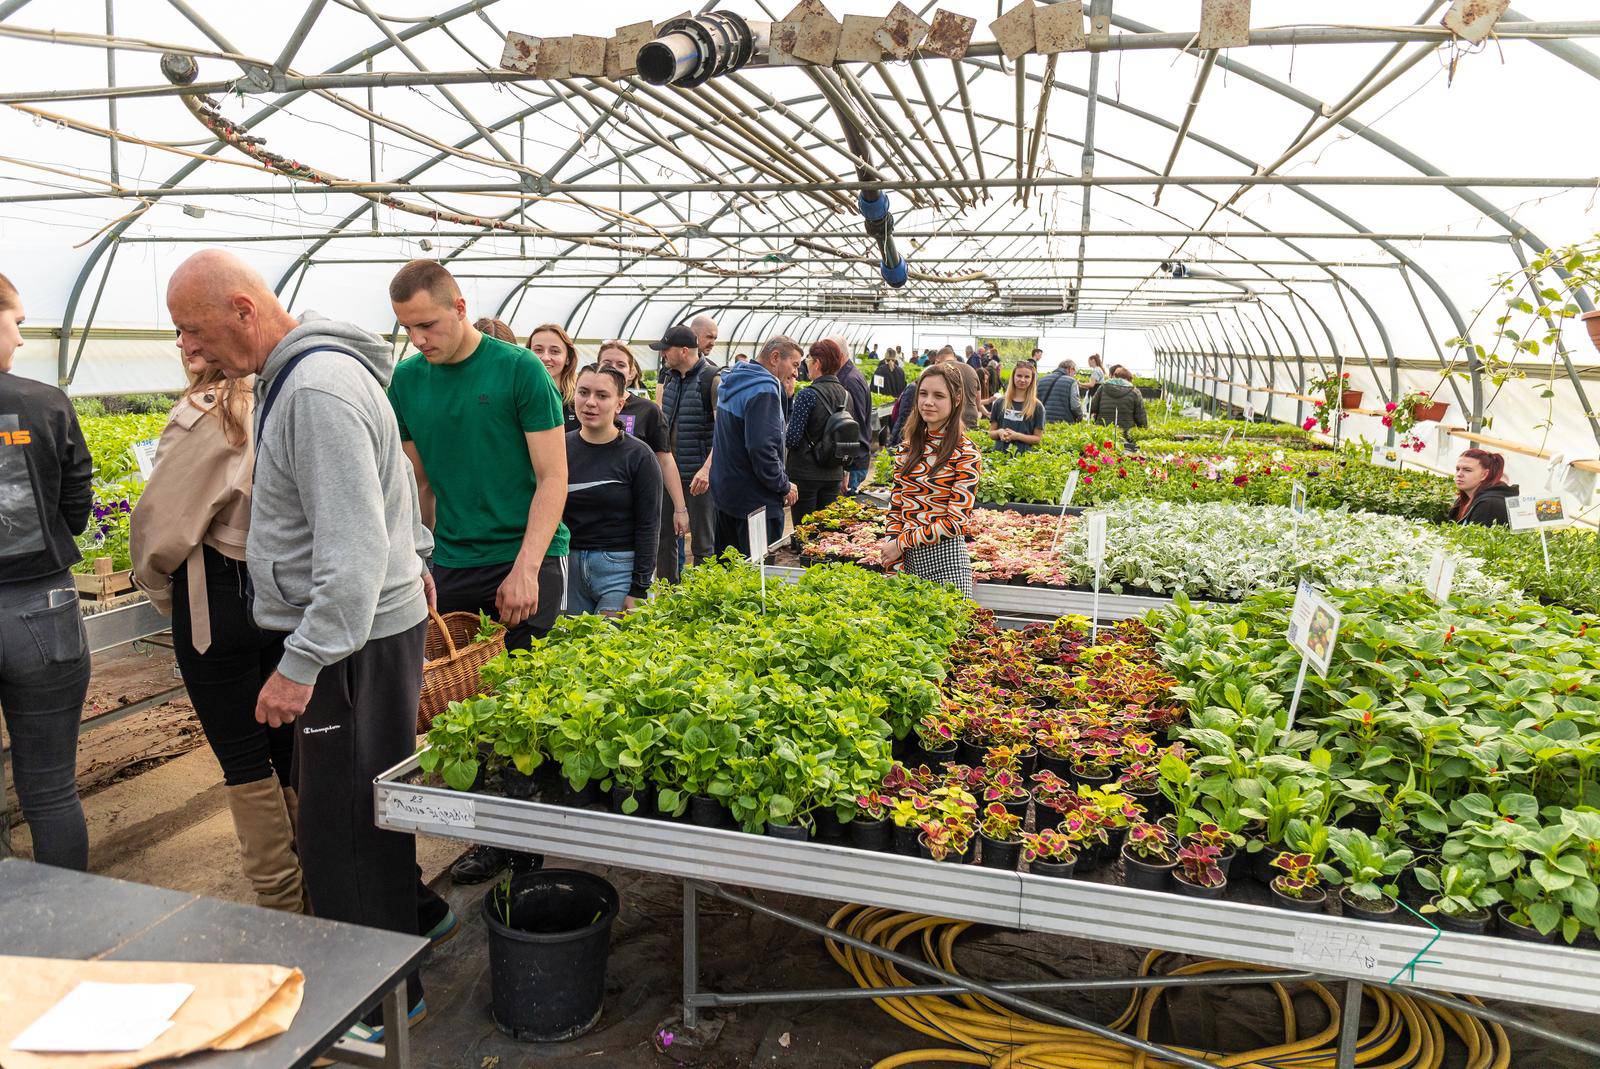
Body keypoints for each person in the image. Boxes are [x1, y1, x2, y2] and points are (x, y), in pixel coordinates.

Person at [167, 250, 437, 1032]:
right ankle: (404, 955)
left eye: (195, 330)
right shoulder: (314, 373)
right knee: (364, 811)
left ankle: (381, 1005)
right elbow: (385, 503)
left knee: (343, 828)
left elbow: (348, 557)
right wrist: (412, 556)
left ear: (246, 310)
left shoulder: (314, 388)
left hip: (347, 650)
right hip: (368, 635)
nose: (190, 349)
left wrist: (299, 665)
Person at [388, 261, 567, 888]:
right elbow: (419, 481)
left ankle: (525, 850)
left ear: (460, 306)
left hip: (525, 554)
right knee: (467, 706)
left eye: (428, 325)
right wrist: (415, 559)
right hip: (454, 557)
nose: (419, 340)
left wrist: (527, 569)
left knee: (518, 704)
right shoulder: (407, 382)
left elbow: (553, 478)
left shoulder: (518, 371)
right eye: (407, 329)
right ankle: (495, 833)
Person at [130, 347, 303, 912]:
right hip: (284, 597)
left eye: (188, 331)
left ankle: (283, 904)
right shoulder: (288, 396)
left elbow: (162, 526)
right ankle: (321, 882)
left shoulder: (209, 412)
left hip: (216, 599)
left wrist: (159, 589)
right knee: (288, 746)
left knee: (244, 758)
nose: (181, 344)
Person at [0, 272, 92, 871]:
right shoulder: (40, 402)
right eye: (17, 321)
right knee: (50, 785)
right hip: (40, 610)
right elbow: (77, 508)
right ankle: (66, 935)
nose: (22, 337)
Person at [877, 364, 981, 597]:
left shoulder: (965, 452)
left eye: (938, 396)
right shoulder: (908, 448)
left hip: (947, 565)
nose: (928, 402)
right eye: (923, 394)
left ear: (956, 400)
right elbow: (896, 507)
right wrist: (893, 555)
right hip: (906, 562)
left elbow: (956, 522)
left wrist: (900, 543)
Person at [564, 366, 662, 612]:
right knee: (570, 648)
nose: (590, 403)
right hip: (568, 568)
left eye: (602, 396)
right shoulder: (559, 448)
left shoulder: (638, 455)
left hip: (618, 569)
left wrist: (639, 586)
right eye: (583, 392)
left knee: (610, 647)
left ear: (619, 404)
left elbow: (649, 524)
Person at [596, 342, 690, 584]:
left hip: (638, 503)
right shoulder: (585, 406)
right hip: (598, 509)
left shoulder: (647, 411)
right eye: (607, 363)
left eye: (621, 364)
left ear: (632, 372)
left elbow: (665, 458)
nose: (614, 369)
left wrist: (680, 507)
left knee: (651, 556)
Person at [710, 336, 801, 556]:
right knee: (757, 576)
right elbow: (762, 448)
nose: (797, 373)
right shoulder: (763, 390)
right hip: (756, 505)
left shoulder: (736, 380)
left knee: (729, 573)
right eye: (795, 364)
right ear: (775, 357)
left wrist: (786, 398)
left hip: (727, 496)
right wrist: (783, 485)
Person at [656, 324, 720, 573]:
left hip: (698, 478)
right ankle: (669, 597)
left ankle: (703, 598)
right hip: (670, 475)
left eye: (666, 350)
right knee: (665, 539)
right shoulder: (670, 379)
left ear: (684, 351)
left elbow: (723, 433)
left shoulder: (712, 380)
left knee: (703, 545)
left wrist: (706, 470)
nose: (663, 355)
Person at [785, 338, 853, 526]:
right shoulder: (847, 395)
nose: (807, 367)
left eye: (808, 362)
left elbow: (792, 439)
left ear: (818, 363)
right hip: (833, 472)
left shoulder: (807, 395)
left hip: (805, 474)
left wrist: (789, 400)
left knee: (805, 530)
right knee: (825, 532)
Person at [835, 343, 874, 492]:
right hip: (855, 459)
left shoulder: (849, 380)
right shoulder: (849, 375)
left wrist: (846, 469)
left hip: (853, 463)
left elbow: (852, 426)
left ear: (839, 355)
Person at [988, 360, 1045, 454]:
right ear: (1013, 377)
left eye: (1027, 377)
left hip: (1022, 461)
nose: (1022, 380)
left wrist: (1017, 436)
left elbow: (1037, 438)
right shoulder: (999, 402)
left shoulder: (1037, 406)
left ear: (1032, 380)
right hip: (998, 458)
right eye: (1019, 375)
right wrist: (999, 432)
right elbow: (991, 433)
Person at [1449, 448, 1517, 526]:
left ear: (1484, 474)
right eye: (1457, 469)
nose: (1459, 474)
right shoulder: (1465, 498)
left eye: (1467, 470)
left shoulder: (1489, 504)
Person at [527, 322, 578, 413]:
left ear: (568, 359)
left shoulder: (579, 401)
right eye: (538, 350)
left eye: (554, 351)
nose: (545, 358)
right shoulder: (518, 398)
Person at [1090, 365, 1149, 440]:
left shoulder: (1103, 387)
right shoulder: (1134, 392)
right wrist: (1144, 430)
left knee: (1103, 449)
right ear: (1127, 379)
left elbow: (1093, 407)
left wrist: (1095, 421)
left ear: (1115, 376)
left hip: (1103, 431)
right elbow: (1140, 415)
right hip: (1125, 433)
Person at [1037, 358, 1084, 423]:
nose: (1074, 375)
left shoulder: (1041, 380)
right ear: (1070, 369)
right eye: (1074, 372)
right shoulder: (1072, 382)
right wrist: (1080, 417)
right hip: (1062, 423)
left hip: (1041, 421)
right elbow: (1075, 406)